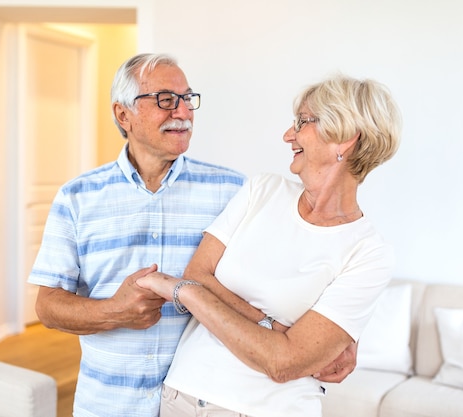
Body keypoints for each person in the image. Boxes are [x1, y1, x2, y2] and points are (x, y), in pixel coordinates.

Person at [27, 54, 357, 417]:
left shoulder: (233, 190)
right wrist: (114, 312)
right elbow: (48, 306)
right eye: (166, 100)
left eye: (188, 99)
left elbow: (292, 269)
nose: (183, 112)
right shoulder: (77, 197)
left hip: (200, 401)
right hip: (107, 405)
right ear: (123, 115)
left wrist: (337, 336)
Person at [136, 74, 402, 417]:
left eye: (303, 122)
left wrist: (186, 294)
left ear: (345, 139)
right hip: (183, 395)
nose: (288, 135)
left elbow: (283, 363)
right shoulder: (262, 190)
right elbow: (198, 273)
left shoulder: (369, 253)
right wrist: (273, 328)